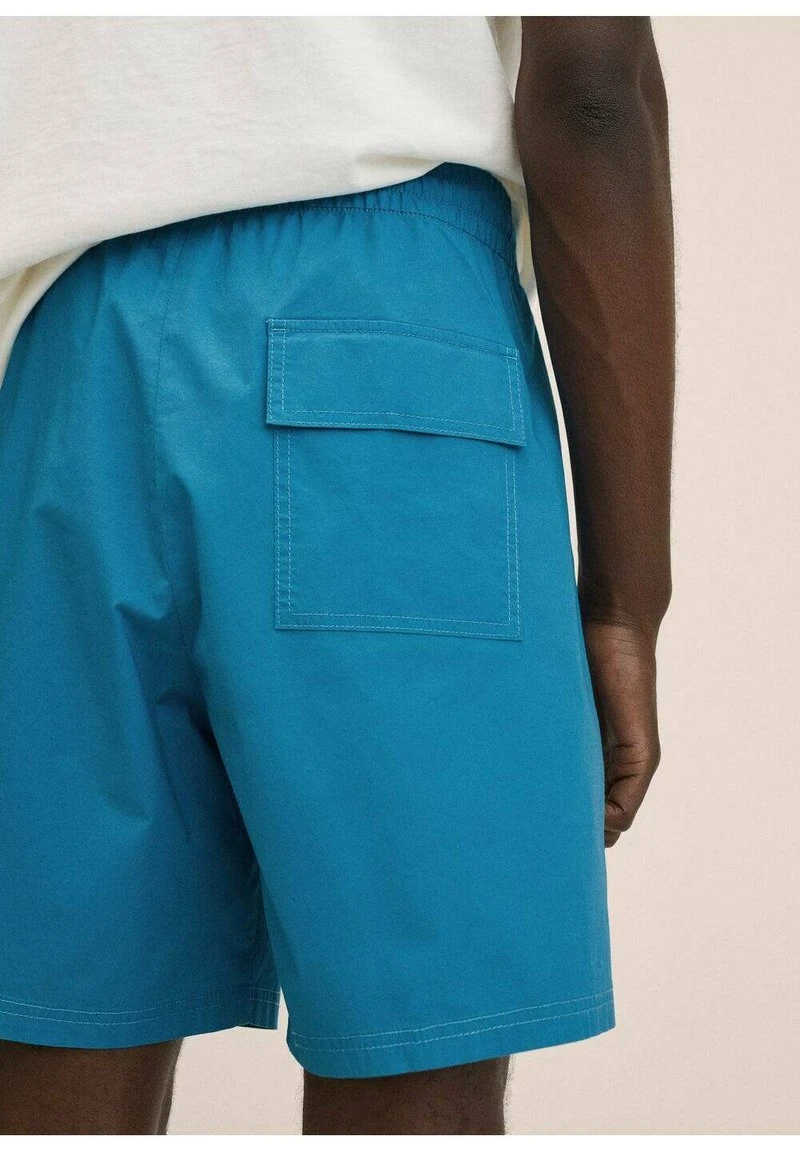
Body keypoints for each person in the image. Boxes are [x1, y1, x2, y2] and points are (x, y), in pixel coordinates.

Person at [0, 16, 674, 1135]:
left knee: (55, 1029)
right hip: (383, 343)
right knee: (416, 1050)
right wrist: (624, 598)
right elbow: (593, 90)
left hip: (61, 369)